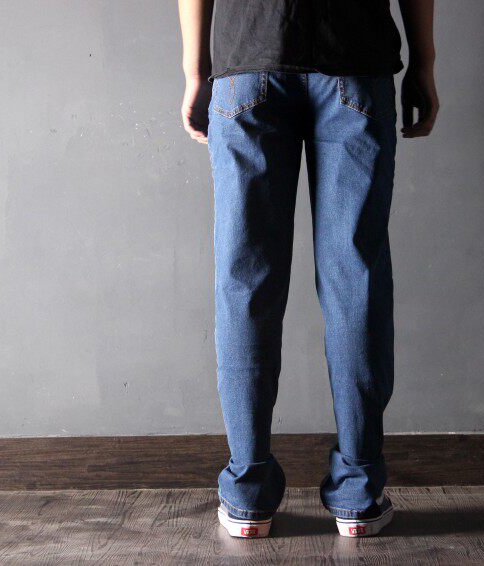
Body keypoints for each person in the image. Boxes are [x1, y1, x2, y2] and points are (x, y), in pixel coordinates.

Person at [178, 0, 438, 538]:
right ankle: (358, 495)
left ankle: (248, 495)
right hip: (355, 58)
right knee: (355, 279)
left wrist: (195, 69)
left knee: (246, 281)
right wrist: (423, 62)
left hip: (248, 55)